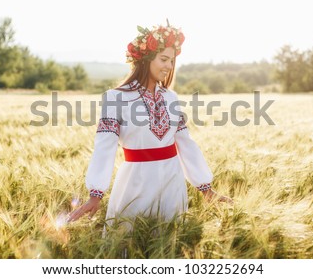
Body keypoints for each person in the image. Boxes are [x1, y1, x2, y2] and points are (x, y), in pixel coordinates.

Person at [67, 22, 232, 226]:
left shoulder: (171, 98)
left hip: (173, 185)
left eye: (172, 61)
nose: (169, 66)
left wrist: (206, 189)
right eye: (164, 59)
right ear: (145, 59)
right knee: (128, 246)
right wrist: (96, 193)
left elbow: (185, 144)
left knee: (171, 246)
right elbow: (104, 146)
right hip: (136, 185)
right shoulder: (115, 98)